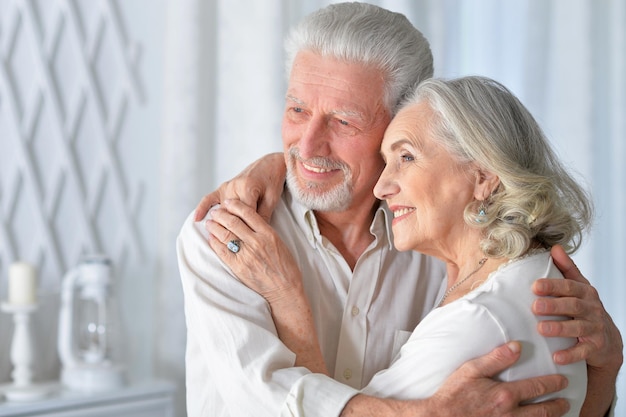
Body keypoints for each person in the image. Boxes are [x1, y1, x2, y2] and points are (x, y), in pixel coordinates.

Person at [178, 3, 622, 416]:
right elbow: (259, 402)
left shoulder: (440, 244)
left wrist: (603, 370)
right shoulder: (224, 238)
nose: (307, 145)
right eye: (297, 109)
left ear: (401, 122)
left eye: (344, 121)